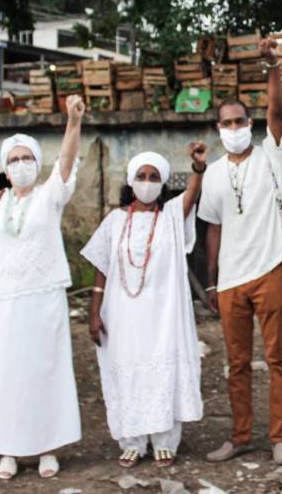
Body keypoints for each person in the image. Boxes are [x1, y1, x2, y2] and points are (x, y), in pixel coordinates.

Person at [0, 94, 85, 480]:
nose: (20, 165)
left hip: (42, 298)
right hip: (1, 302)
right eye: (13, 160)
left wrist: (73, 122)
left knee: (42, 371)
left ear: (37, 163)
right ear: (4, 168)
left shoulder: (49, 196)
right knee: (4, 374)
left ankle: (47, 447)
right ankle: (8, 449)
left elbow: (65, 166)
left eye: (26, 158)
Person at [199, 39, 282, 466]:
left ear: (250, 123)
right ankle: (240, 436)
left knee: (278, 358)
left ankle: (280, 437)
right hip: (231, 282)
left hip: (270, 270)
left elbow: (277, 112)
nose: (234, 128)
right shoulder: (214, 173)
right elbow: (213, 228)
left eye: (240, 120)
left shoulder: (270, 155)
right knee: (236, 363)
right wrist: (212, 278)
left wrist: (272, 67)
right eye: (227, 122)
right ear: (218, 128)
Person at [81, 144, 208, 468]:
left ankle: (165, 440)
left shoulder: (169, 218)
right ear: (131, 180)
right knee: (128, 374)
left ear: (163, 184)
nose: (147, 181)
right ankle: (132, 441)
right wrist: (94, 312)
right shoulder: (114, 220)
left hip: (163, 314)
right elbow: (101, 266)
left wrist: (196, 169)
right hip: (122, 313)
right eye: (142, 175)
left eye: (154, 177)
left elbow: (191, 197)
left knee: (162, 371)